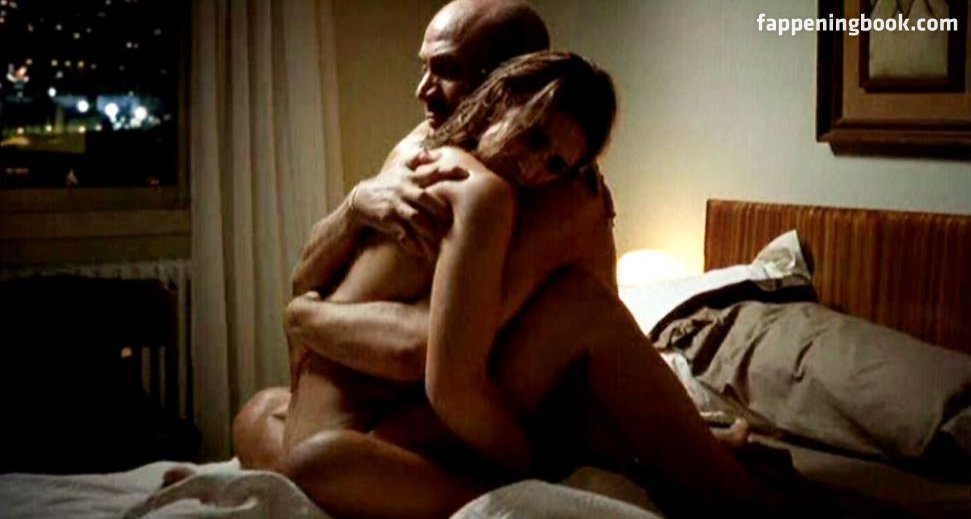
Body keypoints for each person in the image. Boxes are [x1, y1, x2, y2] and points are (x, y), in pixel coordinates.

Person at [235, 1, 766, 517]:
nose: (423, 89)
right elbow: (306, 274)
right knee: (258, 414)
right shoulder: (423, 144)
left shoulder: (546, 198)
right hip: (410, 393)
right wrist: (355, 206)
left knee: (318, 459)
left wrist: (304, 318)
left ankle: (715, 482)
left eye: (445, 70)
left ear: (505, 80)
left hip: (476, 395)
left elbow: (435, 356)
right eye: (425, 66)